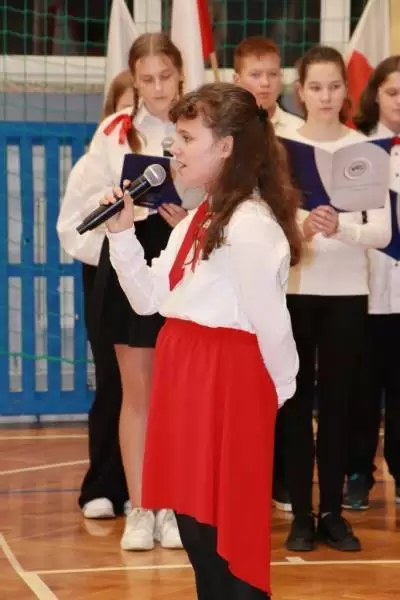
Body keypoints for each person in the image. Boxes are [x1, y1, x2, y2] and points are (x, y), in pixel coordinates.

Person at [104, 82, 301, 599]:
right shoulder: (196, 218)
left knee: (227, 532)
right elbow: (149, 299)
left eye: (188, 137)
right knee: (195, 529)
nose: (174, 147)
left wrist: (279, 391)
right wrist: (122, 235)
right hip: (185, 372)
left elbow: (272, 322)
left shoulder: (251, 225)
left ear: (227, 146)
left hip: (229, 379)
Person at [78, 32, 196, 551]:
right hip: (128, 251)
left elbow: (220, 190)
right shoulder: (114, 131)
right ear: (133, 80)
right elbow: (90, 199)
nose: (158, 88)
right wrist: (117, 202)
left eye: (165, 76)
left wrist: (187, 213)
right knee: (138, 390)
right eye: (146, 79)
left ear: (180, 73)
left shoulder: (201, 123)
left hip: (183, 251)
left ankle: (172, 505)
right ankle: (142, 507)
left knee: (178, 390)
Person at [280, 45, 391, 553]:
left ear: (346, 90)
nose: (325, 96)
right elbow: (267, 222)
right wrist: (302, 228)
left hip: (348, 291)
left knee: (340, 403)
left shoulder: (365, 147)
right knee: (295, 402)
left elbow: (382, 230)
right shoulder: (281, 147)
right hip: (296, 289)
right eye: (315, 87)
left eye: (334, 86)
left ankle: (332, 513)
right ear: (300, 92)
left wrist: (339, 227)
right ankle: (301, 516)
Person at [57, 69, 134, 519]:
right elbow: (72, 229)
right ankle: (102, 485)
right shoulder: (90, 166)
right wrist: (114, 234)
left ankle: (147, 488)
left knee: (152, 388)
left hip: (153, 274)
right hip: (105, 276)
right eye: (125, 106)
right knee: (113, 383)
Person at [233, 35, 303, 512]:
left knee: (285, 372)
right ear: (237, 78)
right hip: (242, 274)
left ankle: (282, 480)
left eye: (272, 74)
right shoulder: (227, 130)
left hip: (289, 268)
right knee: (247, 379)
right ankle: (245, 477)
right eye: (255, 75)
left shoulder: (298, 131)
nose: (264, 83)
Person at [344, 56, 400, 510]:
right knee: (360, 388)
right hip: (363, 285)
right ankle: (359, 471)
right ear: (375, 95)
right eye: (393, 92)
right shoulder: (356, 148)